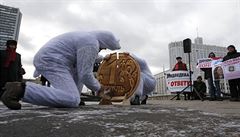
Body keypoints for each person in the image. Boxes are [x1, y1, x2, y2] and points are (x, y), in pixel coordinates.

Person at [1, 30, 121, 110]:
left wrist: (103, 58)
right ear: (104, 42)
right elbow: (85, 74)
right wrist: (100, 88)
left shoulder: (87, 37)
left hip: (51, 58)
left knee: (77, 73)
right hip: (52, 61)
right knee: (72, 99)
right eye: (105, 46)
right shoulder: (91, 43)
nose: (104, 48)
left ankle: (75, 98)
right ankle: (19, 90)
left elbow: (86, 58)